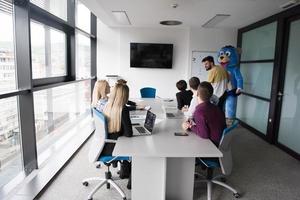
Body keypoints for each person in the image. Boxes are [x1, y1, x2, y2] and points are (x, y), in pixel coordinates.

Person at [103, 83, 133, 189]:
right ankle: (132, 181)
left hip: (105, 145)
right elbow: (129, 134)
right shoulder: (122, 109)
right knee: (136, 148)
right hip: (114, 147)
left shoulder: (107, 105)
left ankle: (124, 172)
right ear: (125, 96)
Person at [182, 81, 226, 147]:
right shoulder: (216, 108)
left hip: (212, 145)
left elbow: (204, 135)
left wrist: (190, 126)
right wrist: (192, 122)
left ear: (197, 94)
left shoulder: (199, 111)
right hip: (220, 140)